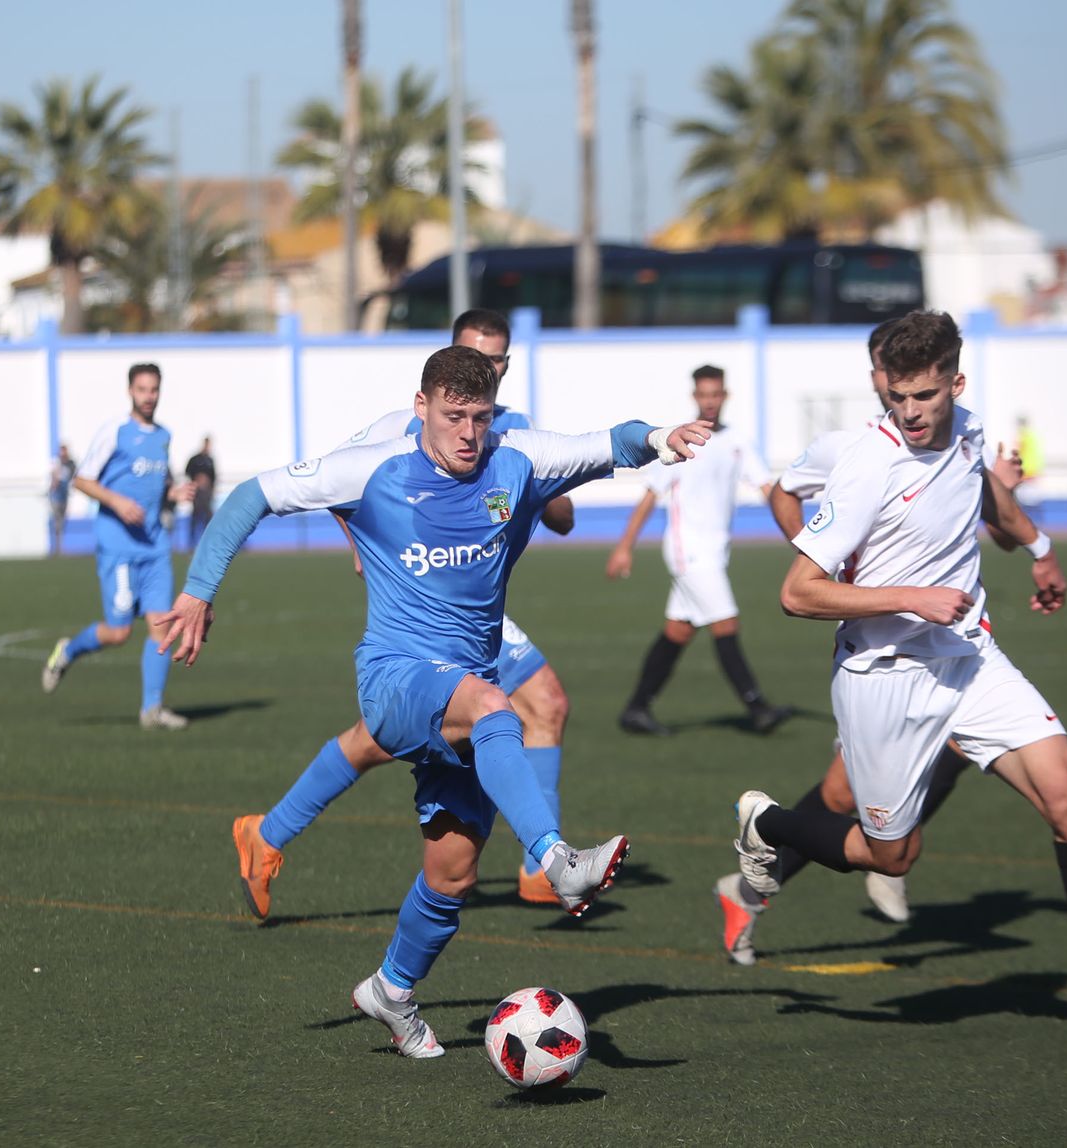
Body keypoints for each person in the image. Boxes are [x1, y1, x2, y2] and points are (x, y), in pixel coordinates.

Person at [159, 344, 710, 1059]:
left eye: (480, 417)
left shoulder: (516, 458)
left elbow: (608, 444)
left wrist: (661, 441)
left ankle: (391, 989)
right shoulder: (374, 468)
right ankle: (555, 859)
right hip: (394, 677)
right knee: (494, 706)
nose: (468, 434)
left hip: (463, 683)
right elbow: (249, 497)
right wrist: (198, 590)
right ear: (422, 408)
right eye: (454, 417)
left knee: (452, 873)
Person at [730, 310, 1067, 1048]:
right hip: (883, 676)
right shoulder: (869, 463)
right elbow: (796, 593)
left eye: (924, 397)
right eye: (897, 397)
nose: (908, 412)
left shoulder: (968, 427)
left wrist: (1038, 547)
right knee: (891, 856)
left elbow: (984, 489)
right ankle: (768, 822)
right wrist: (906, 594)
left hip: (970, 660)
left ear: (955, 382)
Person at [230, 309, 579, 915]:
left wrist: (541, 491)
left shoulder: (509, 431)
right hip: (422, 610)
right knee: (541, 703)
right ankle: (541, 867)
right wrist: (362, 550)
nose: (486, 366)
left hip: (478, 613)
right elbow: (337, 485)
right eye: (475, 353)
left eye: (496, 360)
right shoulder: (403, 426)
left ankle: (268, 832)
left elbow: (565, 518)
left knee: (382, 739)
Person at [718, 318, 1023, 955]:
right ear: (878, 379)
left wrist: (1015, 514)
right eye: (891, 380)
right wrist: (833, 564)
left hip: (941, 649)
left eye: (917, 386)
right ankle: (752, 888)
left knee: (957, 753)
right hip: (873, 649)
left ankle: (885, 853)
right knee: (838, 794)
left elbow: (981, 517)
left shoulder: (959, 431)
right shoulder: (851, 447)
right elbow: (784, 496)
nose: (902, 395)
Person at [610, 364, 793, 736]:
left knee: (678, 631)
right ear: (695, 397)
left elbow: (766, 488)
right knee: (726, 622)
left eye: (716, 394)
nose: (710, 401)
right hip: (687, 551)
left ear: (725, 396)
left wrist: (800, 532)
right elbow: (650, 496)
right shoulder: (681, 439)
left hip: (714, 552)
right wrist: (625, 546)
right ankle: (758, 708)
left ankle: (637, 708)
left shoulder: (738, 442)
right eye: (704, 395)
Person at [41, 364, 196, 729]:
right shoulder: (115, 431)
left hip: (155, 546)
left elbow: (158, 486)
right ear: (130, 391)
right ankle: (67, 651)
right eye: (142, 389)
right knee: (120, 631)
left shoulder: (163, 436)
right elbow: (82, 480)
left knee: (161, 625)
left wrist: (173, 493)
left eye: (154, 389)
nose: (149, 396)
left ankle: (152, 709)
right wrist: (117, 502)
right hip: (119, 547)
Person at [185, 436, 217, 545]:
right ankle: (191, 542)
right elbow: (187, 471)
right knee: (195, 516)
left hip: (206, 493)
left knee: (208, 517)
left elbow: (213, 477)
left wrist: (210, 487)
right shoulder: (195, 459)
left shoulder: (210, 460)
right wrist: (197, 479)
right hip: (197, 492)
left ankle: (207, 541)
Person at [48, 443, 76, 556]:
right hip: (56, 496)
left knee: (62, 520)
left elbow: (73, 475)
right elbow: (53, 476)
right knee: (57, 520)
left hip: (64, 495)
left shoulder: (70, 464)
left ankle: (60, 548)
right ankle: (57, 548)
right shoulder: (56, 462)